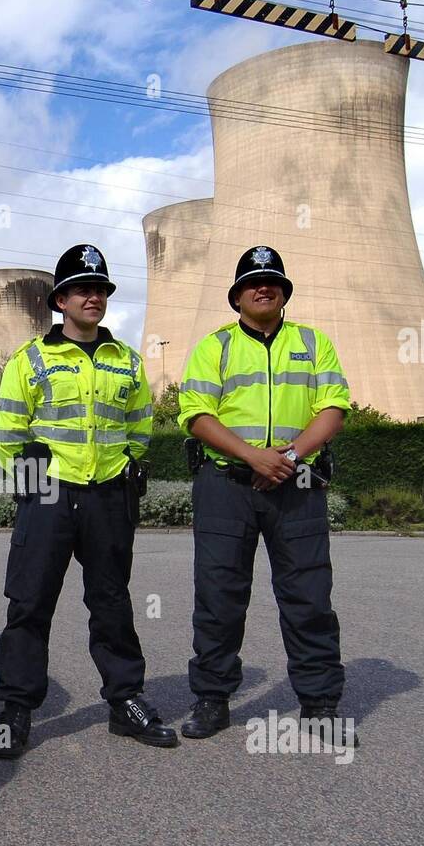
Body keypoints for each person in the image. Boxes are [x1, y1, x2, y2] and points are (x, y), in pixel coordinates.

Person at [0, 243, 175, 759]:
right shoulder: (31, 359)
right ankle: (16, 710)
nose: (93, 297)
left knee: (112, 603)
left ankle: (126, 701)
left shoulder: (127, 362)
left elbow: (140, 428)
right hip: (49, 496)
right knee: (29, 604)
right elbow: (6, 433)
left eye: (100, 289)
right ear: (60, 301)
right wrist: (34, 479)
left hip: (108, 497)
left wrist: (129, 470)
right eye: (81, 289)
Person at [177, 245, 354, 743]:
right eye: (253, 281)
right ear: (236, 296)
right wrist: (254, 457)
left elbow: (334, 408)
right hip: (226, 486)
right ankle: (212, 699)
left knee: (309, 596)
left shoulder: (313, 343)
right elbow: (196, 414)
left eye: (272, 280)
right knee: (219, 597)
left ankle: (319, 705)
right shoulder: (215, 347)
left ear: (284, 293)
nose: (263, 287)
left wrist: (289, 457)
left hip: (296, 484)